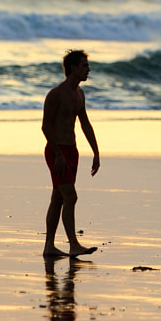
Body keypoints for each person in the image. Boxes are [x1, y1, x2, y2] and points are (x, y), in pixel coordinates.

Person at [42, 49, 101, 257]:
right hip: (56, 152)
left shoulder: (79, 94)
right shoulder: (56, 94)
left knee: (58, 198)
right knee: (71, 196)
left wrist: (96, 152)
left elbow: (85, 124)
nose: (88, 70)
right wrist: (58, 153)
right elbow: (46, 127)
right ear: (73, 68)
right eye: (84, 66)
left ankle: (49, 247)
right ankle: (74, 244)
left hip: (72, 152)